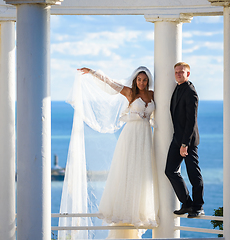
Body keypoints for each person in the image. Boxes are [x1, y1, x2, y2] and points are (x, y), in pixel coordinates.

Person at [78, 66, 159, 238]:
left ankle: (138, 211)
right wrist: (93, 73)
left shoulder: (152, 95)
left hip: (145, 137)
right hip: (130, 136)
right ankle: (124, 211)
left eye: (144, 80)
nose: (142, 83)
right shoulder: (130, 93)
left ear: (148, 81)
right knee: (127, 171)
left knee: (142, 174)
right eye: (139, 80)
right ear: (135, 80)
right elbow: (112, 83)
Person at [165, 62, 204, 218]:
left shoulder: (191, 92)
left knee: (194, 173)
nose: (178, 74)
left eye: (181, 72)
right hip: (177, 138)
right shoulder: (177, 87)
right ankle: (187, 203)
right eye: (176, 72)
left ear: (188, 74)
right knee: (170, 171)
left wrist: (184, 145)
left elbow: (191, 122)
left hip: (187, 141)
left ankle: (198, 206)